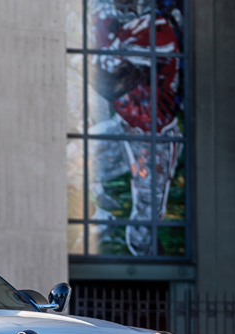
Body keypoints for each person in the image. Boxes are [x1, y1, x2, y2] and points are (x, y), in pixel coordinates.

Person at [88, 0, 182, 256]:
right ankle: (99, 215)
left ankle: (161, 285)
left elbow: (114, 85)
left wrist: (80, 60)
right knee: (73, 160)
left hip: (155, 139)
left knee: (141, 236)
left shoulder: (155, 29)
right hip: (124, 126)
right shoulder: (108, 16)